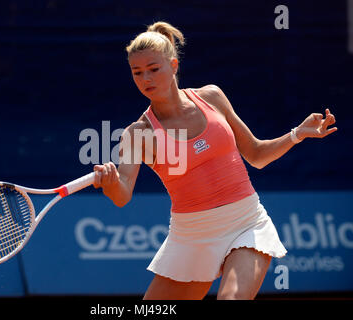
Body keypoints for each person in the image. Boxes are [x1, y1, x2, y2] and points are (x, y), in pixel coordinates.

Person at [92, 21, 337, 300]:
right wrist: (111, 182)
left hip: (246, 223)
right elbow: (122, 193)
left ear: (173, 65)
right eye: (137, 73)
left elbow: (256, 154)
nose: (146, 78)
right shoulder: (138, 133)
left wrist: (297, 134)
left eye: (153, 69)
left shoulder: (212, 97)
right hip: (190, 238)